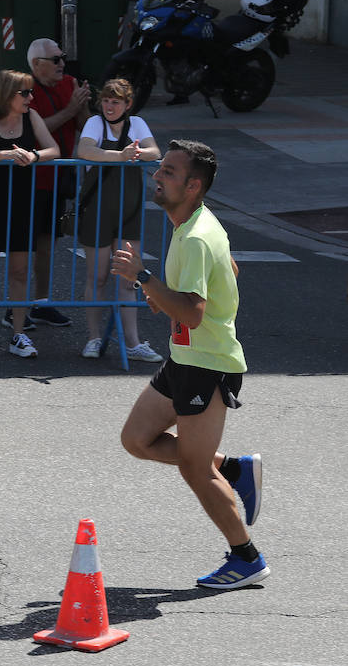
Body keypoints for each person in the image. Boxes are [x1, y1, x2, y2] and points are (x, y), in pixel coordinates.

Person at [112, 139, 266, 589]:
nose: (157, 176)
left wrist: (143, 277)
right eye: (160, 169)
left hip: (208, 364)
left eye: (169, 173)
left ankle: (247, 558)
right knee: (137, 439)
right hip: (185, 358)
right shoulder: (192, 225)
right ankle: (234, 469)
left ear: (193, 186)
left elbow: (195, 313)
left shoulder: (196, 235)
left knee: (195, 469)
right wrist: (166, 294)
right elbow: (230, 271)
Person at [0, 69, 60, 359]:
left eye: (31, 92)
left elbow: (54, 148)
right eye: (26, 92)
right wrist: (3, 155)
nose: (31, 97)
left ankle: (18, 334)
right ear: (8, 93)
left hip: (23, 200)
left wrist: (35, 156)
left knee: (19, 270)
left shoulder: (31, 117)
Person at [74, 79, 164, 364]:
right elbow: (85, 150)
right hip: (97, 209)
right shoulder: (94, 124)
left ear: (128, 105)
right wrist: (120, 155)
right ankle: (93, 337)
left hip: (129, 210)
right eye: (106, 101)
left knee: (129, 276)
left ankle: (133, 342)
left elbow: (155, 151)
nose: (109, 106)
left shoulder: (137, 124)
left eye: (116, 102)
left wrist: (136, 154)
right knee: (97, 276)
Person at [13, 38, 89, 332]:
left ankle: (41, 302)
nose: (62, 64)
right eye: (55, 59)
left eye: (63, 57)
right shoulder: (24, 90)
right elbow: (34, 131)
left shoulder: (70, 83)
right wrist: (71, 110)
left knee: (47, 244)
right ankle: (15, 307)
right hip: (29, 179)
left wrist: (82, 104)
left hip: (58, 178)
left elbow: (83, 124)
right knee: (23, 245)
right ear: (36, 65)